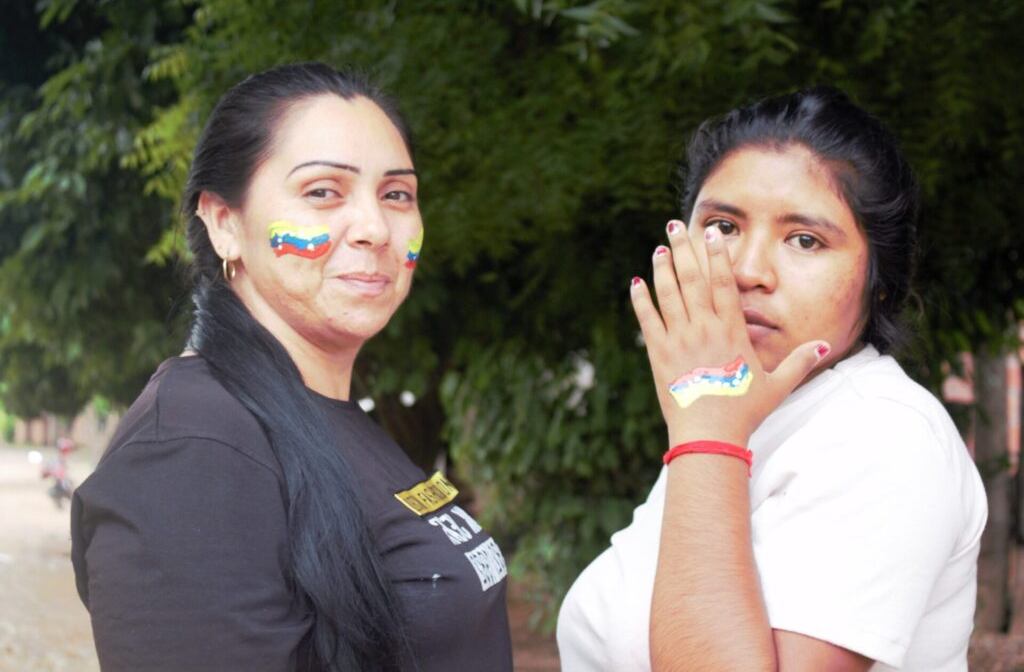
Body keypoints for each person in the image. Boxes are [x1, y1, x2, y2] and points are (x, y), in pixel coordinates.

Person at [70, 62, 512, 672]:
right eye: (322, 192)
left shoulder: (332, 418)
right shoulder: (191, 447)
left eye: (396, 194)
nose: (375, 228)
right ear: (225, 223)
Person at [557, 87, 986, 671]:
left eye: (804, 240)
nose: (746, 271)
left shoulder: (886, 435)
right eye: (722, 227)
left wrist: (706, 432)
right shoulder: (746, 413)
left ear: (878, 279)